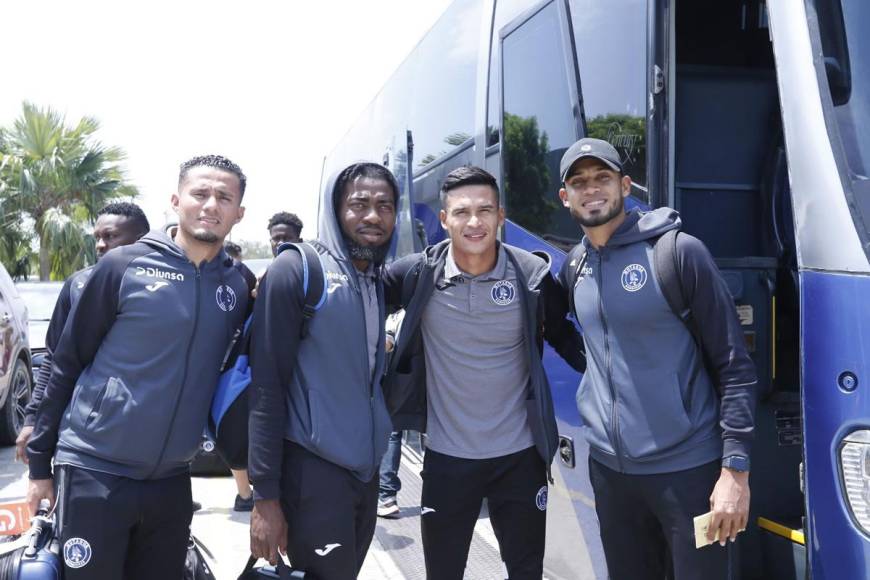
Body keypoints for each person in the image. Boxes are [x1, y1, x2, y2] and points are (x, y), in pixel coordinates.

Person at [26, 155, 252, 579]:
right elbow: (66, 362)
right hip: (95, 467)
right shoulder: (123, 265)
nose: (211, 205)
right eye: (200, 193)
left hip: (171, 478)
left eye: (225, 197)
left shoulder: (237, 285)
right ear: (175, 199)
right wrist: (40, 464)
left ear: (239, 212)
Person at [556, 138, 757, 580]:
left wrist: (735, 472)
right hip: (611, 474)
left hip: (690, 474)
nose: (592, 190)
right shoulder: (574, 268)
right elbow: (593, 349)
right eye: (580, 182)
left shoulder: (678, 253)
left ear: (625, 186)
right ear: (565, 197)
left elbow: (735, 367)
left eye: (603, 178)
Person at [382, 166, 585, 579]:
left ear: (501, 216)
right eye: (461, 212)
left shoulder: (532, 276)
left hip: (521, 460)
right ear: (444, 220)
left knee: (526, 571)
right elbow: (355, 297)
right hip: (446, 460)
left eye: (484, 210)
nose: (473, 222)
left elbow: (569, 340)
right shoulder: (417, 275)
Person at [249, 162, 397, 579]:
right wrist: (265, 498)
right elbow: (266, 388)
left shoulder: (375, 280)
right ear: (336, 210)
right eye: (359, 204)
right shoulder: (297, 270)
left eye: (385, 206)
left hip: (364, 472)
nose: (373, 215)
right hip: (313, 471)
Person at [15, 202, 150, 462]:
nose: (100, 244)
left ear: (140, 239)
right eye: (97, 237)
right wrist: (33, 418)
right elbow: (54, 359)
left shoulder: (167, 287)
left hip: (149, 432)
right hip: (82, 431)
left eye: (110, 236)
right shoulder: (78, 284)